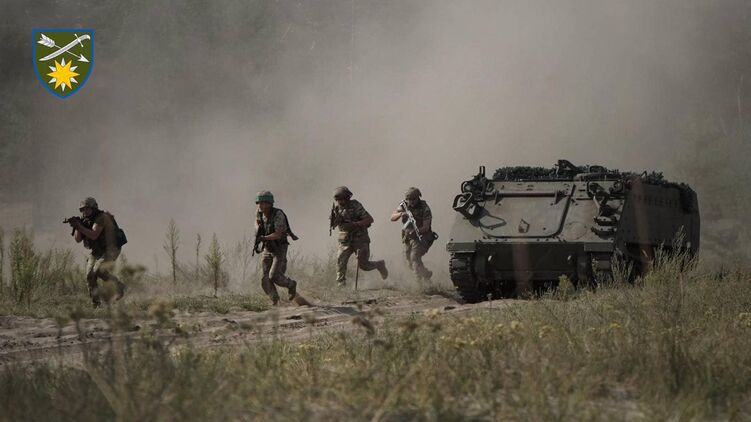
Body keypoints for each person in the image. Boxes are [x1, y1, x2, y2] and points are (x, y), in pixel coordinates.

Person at [69, 197, 126, 308]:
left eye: (87, 209)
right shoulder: (84, 220)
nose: (85, 212)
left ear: (94, 208)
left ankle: (118, 286)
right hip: (97, 250)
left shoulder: (101, 217)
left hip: (111, 248)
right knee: (89, 274)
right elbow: (78, 239)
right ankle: (96, 304)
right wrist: (77, 226)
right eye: (82, 210)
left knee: (99, 270)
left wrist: (79, 226)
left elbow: (94, 235)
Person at [330, 186, 388, 287]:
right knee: (340, 259)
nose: (340, 201)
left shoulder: (355, 205)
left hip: (360, 239)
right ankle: (341, 283)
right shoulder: (336, 209)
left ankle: (379, 265)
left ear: (347, 198)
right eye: (338, 199)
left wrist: (355, 224)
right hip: (345, 240)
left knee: (364, 265)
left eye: (342, 199)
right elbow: (335, 225)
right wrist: (334, 221)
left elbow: (369, 219)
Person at [255, 190, 299, 305]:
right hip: (267, 248)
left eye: (264, 203)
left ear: (270, 204)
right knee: (265, 280)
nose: (261, 206)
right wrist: (258, 232)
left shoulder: (278, 214)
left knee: (274, 276)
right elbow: (257, 223)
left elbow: (278, 234)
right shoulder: (259, 213)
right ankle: (275, 301)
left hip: (279, 248)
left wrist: (264, 237)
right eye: (259, 203)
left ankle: (291, 284)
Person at [390, 187, 435, 282]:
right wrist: (401, 214)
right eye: (409, 199)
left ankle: (418, 283)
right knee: (408, 260)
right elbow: (392, 218)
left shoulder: (425, 208)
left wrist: (416, 231)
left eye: (414, 199)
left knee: (414, 257)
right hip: (408, 236)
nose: (411, 201)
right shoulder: (404, 205)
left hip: (422, 236)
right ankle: (425, 273)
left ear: (418, 197)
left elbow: (426, 227)